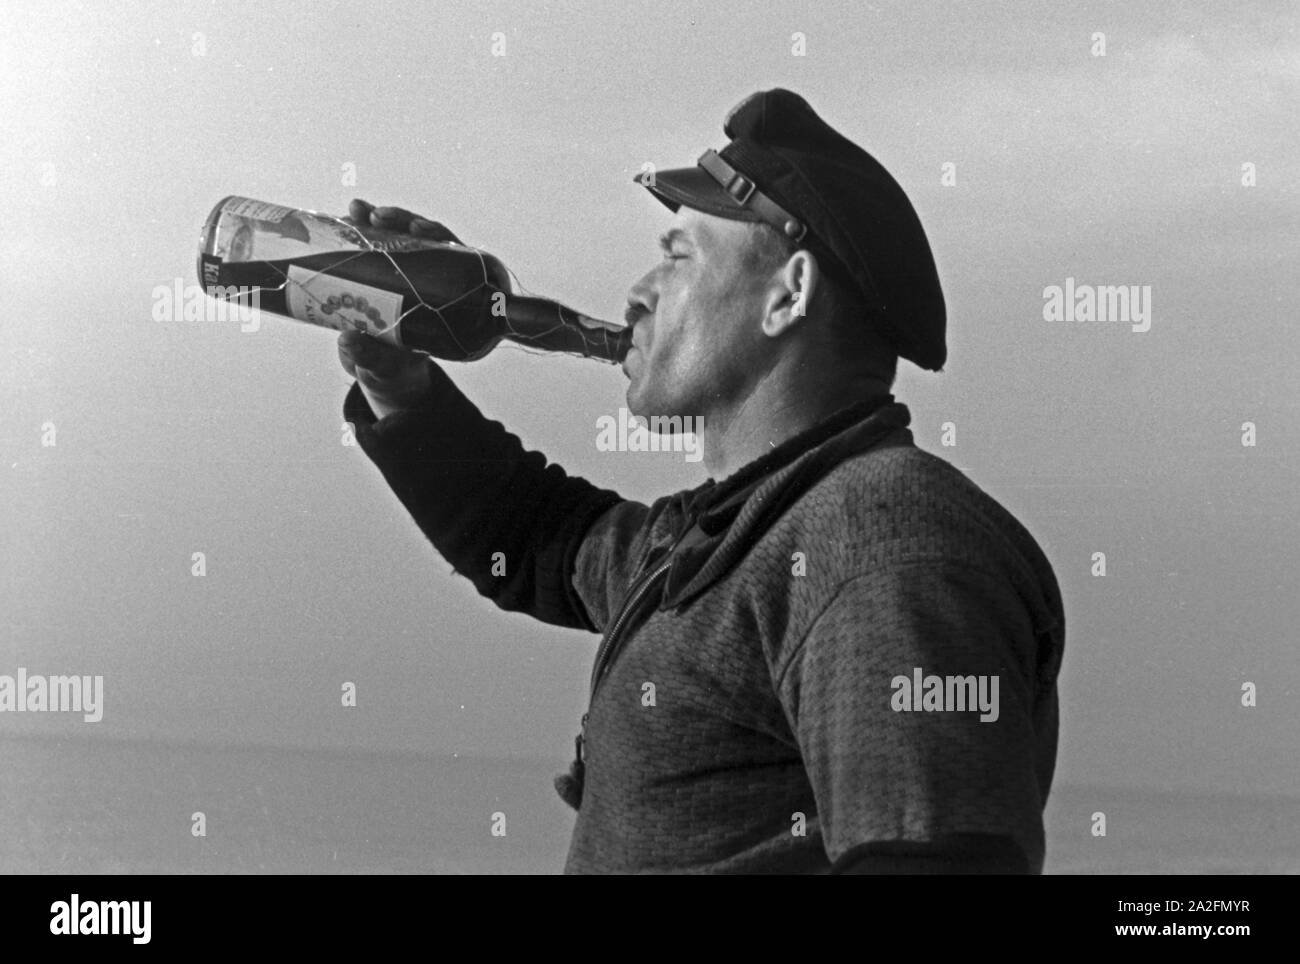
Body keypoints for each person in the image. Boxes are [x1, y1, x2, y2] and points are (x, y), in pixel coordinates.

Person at [337, 89, 1066, 874]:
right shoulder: (731, 537)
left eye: (679, 256)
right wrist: (403, 385)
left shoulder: (880, 542)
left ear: (789, 294)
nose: (639, 292)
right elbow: (539, 540)